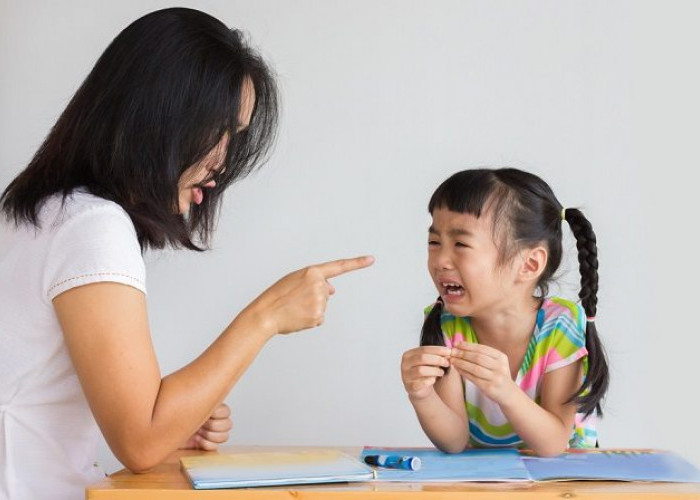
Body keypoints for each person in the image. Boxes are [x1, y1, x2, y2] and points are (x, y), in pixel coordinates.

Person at [0, 8, 373, 500]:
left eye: (234, 137)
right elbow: (139, 439)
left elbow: (122, 425)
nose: (222, 160)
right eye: (215, 129)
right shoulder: (91, 226)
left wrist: (178, 419)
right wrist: (265, 317)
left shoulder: (39, 211)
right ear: (157, 115)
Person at [400, 168, 608, 457]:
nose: (441, 261)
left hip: (563, 481)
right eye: (434, 243)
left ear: (529, 265)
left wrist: (504, 390)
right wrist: (421, 396)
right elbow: (455, 441)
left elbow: (553, 444)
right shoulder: (445, 324)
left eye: (460, 244)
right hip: (493, 481)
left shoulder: (560, 325)